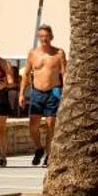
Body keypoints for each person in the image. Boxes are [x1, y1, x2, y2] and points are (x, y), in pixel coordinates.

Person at [22, 25, 66, 166]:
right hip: (37, 92)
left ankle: (49, 155)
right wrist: (21, 94)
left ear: (51, 37)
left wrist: (66, 92)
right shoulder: (33, 53)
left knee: (51, 124)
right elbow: (26, 74)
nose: (44, 39)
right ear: (38, 37)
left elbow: (64, 73)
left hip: (53, 91)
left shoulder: (59, 53)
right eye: (41, 36)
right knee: (33, 126)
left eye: (46, 36)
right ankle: (39, 148)